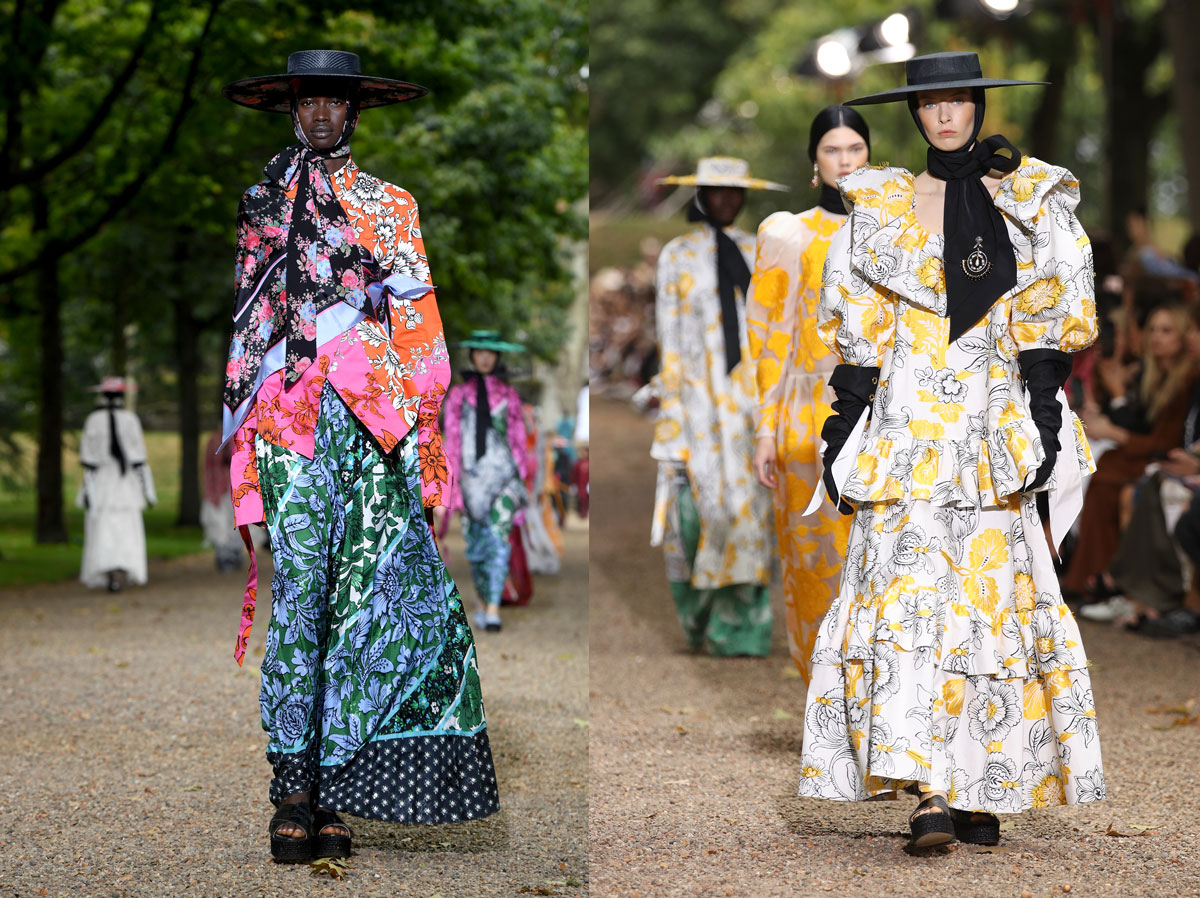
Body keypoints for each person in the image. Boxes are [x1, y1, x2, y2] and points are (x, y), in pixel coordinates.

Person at [796, 52, 1105, 851]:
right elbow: (861, 334)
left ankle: (974, 781)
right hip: (906, 425)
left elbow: (1049, 323)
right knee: (905, 597)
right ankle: (927, 789)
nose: (944, 115)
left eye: (958, 100)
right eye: (929, 102)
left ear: (977, 106)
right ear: (914, 113)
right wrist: (842, 427)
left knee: (983, 603)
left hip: (991, 424)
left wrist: (1044, 418)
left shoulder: (1028, 198)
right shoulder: (881, 204)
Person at [220, 50, 499, 863]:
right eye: (307, 100)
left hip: (376, 425)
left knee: (365, 599)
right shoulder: (262, 203)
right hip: (289, 424)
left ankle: (337, 788)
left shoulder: (392, 205)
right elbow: (248, 328)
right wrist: (245, 447)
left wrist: (425, 446)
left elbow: (420, 326)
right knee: (300, 594)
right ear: (291, 108)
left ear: (355, 111)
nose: (320, 114)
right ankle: (292, 788)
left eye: (334, 101)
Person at [747, 106, 871, 682]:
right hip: (807, 421)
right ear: (814, 163)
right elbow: (767, 340)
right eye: (832, 150)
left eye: (855, 149)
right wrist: (764, 429)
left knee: (878, 567)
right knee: (812, 568)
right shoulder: (787, 234)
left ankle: (877, 701)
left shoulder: (898, 229)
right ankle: (821, 695)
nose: (845, 161)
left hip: (883, 418)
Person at [649, 157, 785, 657]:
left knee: (751, 515)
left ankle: (743, 631)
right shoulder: (677, 255)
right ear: (701, 195)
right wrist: (671, 416)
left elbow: (776, 331)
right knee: (695, 515)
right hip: (697, 407)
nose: (726, 199)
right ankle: (697, 619)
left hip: (752, 408)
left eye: (734, 192)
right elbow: (668, 336)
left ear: (744, 197)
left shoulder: (763, 251)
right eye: (715, 191)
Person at [1066, 303, 1197, 608]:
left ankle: (1105, 580)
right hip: (1150, 454)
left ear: (1182, 336)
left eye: (1166, 331)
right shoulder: (1151, 374)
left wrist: (1114, 429)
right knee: (1105, 470)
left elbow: (1163, 440)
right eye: (1153, 329)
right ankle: (1089, 577)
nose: (1157, 337)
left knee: (1108, 474)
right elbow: (1138, 425)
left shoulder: (1186, 379)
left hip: (1167, 458)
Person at [443, 330, 531, 633]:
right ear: (472, 355)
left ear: (497, 356)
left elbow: (518, 441)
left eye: (490, 352)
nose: (484, 358)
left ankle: (493, 606)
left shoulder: (508, 395)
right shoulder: (458, 395)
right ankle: (482, 599)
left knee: (498, 538)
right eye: (479, 352)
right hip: (470, 481)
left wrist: (521, 481)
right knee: (476, 546)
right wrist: (452, 487)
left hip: (504, 478)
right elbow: (452, 441)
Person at [76, 376, 155, 592]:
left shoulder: (93, 420)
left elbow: (88, 458)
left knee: (103, 525)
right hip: (125, 482)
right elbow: (139, 457)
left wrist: (87, 489)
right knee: (126, 525)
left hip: (102, 481)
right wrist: (147, 489)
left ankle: (110, 569)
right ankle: (121, 569)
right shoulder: (130, 420)